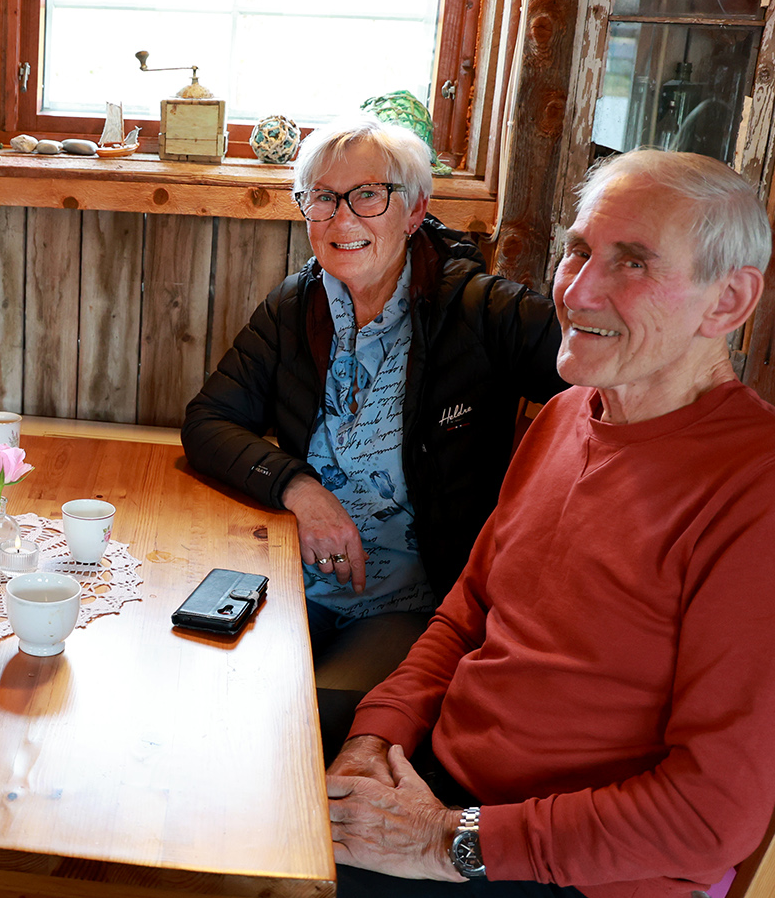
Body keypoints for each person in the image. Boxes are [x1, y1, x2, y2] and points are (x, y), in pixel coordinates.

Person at [320, 149, 775, 898]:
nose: (575, 290)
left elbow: (705, 818)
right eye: (578, 250)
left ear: (730, 300)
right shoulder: (572, 413)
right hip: (442, 783)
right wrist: (374, 738)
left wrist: (442, 840)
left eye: (633, 263)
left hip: (575, 896)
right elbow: (468, 614)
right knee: (189, 787)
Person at [183, 116, 564, 722]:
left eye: (368, 195)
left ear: (414, 210)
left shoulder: (481, 310)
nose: (342, 219)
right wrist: (300, 490)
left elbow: (600, 377)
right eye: (323, 198)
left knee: (308, 716)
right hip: (286, 576)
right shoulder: (295, 306)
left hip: (411, 603)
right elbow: (208, 420)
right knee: (200, 687)